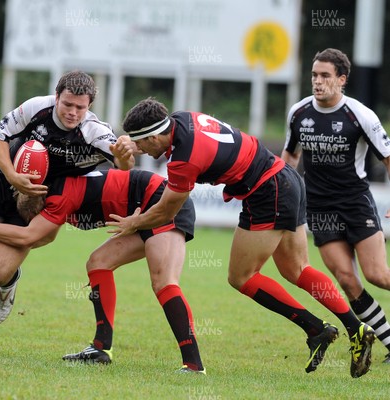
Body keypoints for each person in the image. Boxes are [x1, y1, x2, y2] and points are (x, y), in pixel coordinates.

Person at [106, 97, 376, 378]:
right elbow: (158, 144)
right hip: (286, 177)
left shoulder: (184, 159)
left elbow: (166, 211)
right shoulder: (181, 119)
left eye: (144, 144)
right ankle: (355, 328)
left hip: (266, 192)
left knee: (241, 277)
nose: (146, 153)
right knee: (297, 269)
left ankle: (315, 328)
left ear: (152, 135)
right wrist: (132, 144)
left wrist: (134, 222)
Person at [0, 70, 135, 357]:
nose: (73, 112)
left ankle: (8, 286)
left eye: (81, 107)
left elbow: (123, 165)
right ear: (57, 96)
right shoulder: (36, 108)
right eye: (67, 104)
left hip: (36, 200)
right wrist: (12, 175)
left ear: (89, 106)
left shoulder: (95, 131)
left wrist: (125, 153)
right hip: (1, 182)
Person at [0, 168, 205, 373]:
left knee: (163, 282)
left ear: (38, 210)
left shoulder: (58, 198)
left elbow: (29, 235)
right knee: (98, 262)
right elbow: (40, 238)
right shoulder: (54, 201)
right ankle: (101, 348)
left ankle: (194, 365)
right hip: (140, 210)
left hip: (161, 202)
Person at [282, 48, 390, 364]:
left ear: (341, 80)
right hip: (319, 209)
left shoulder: (361, 115)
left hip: (356, 204)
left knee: (378, 275)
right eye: (314, 75)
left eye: (325, 76)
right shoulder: (299, 113)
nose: (318, 81)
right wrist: (283, 196)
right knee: (346, 278)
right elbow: (289, 158)